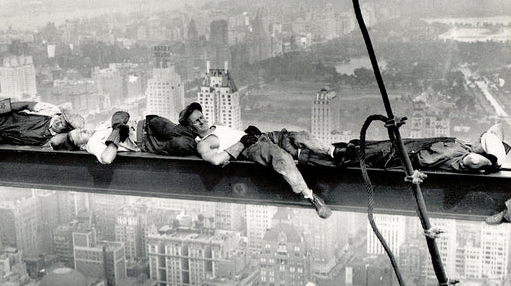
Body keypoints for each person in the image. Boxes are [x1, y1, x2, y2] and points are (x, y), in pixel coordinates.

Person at [178, 102, 332, 218]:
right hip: (251, 147)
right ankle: (311, 197)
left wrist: (246, 132)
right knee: (282, 158)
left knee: (300, 137)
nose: (202, 121)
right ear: (191, 128)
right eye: (197, 121)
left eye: (202, 117)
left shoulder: (217, 125)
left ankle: (332, 151)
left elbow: (232, 135)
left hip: (263, 136)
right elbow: (216, 160)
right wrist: (243, 143)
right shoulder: (203, 144)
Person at [294, 123, 509, 173]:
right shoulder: (461, 144)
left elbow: (473, 162)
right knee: (353, 149)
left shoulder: (464, 157)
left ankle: (301, 155)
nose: (479, 137)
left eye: (483, 139)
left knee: (348, 158)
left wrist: (491, 162)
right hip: (398, 148)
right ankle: (302, 151)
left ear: (483, 149)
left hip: (399, 160)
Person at [63, 111, 198, 164]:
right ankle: (207, 144)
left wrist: (118, 123)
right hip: (146, 141)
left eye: (80, 130)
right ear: (81, 145)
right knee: (183, 143)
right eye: (80, 135)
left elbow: (122, 114)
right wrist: (115, 136)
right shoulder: (92, 144)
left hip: (148, 124)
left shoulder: (99, 127)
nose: (83, 131)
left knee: (180, 131)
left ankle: (206, 137)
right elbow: (107, 158)